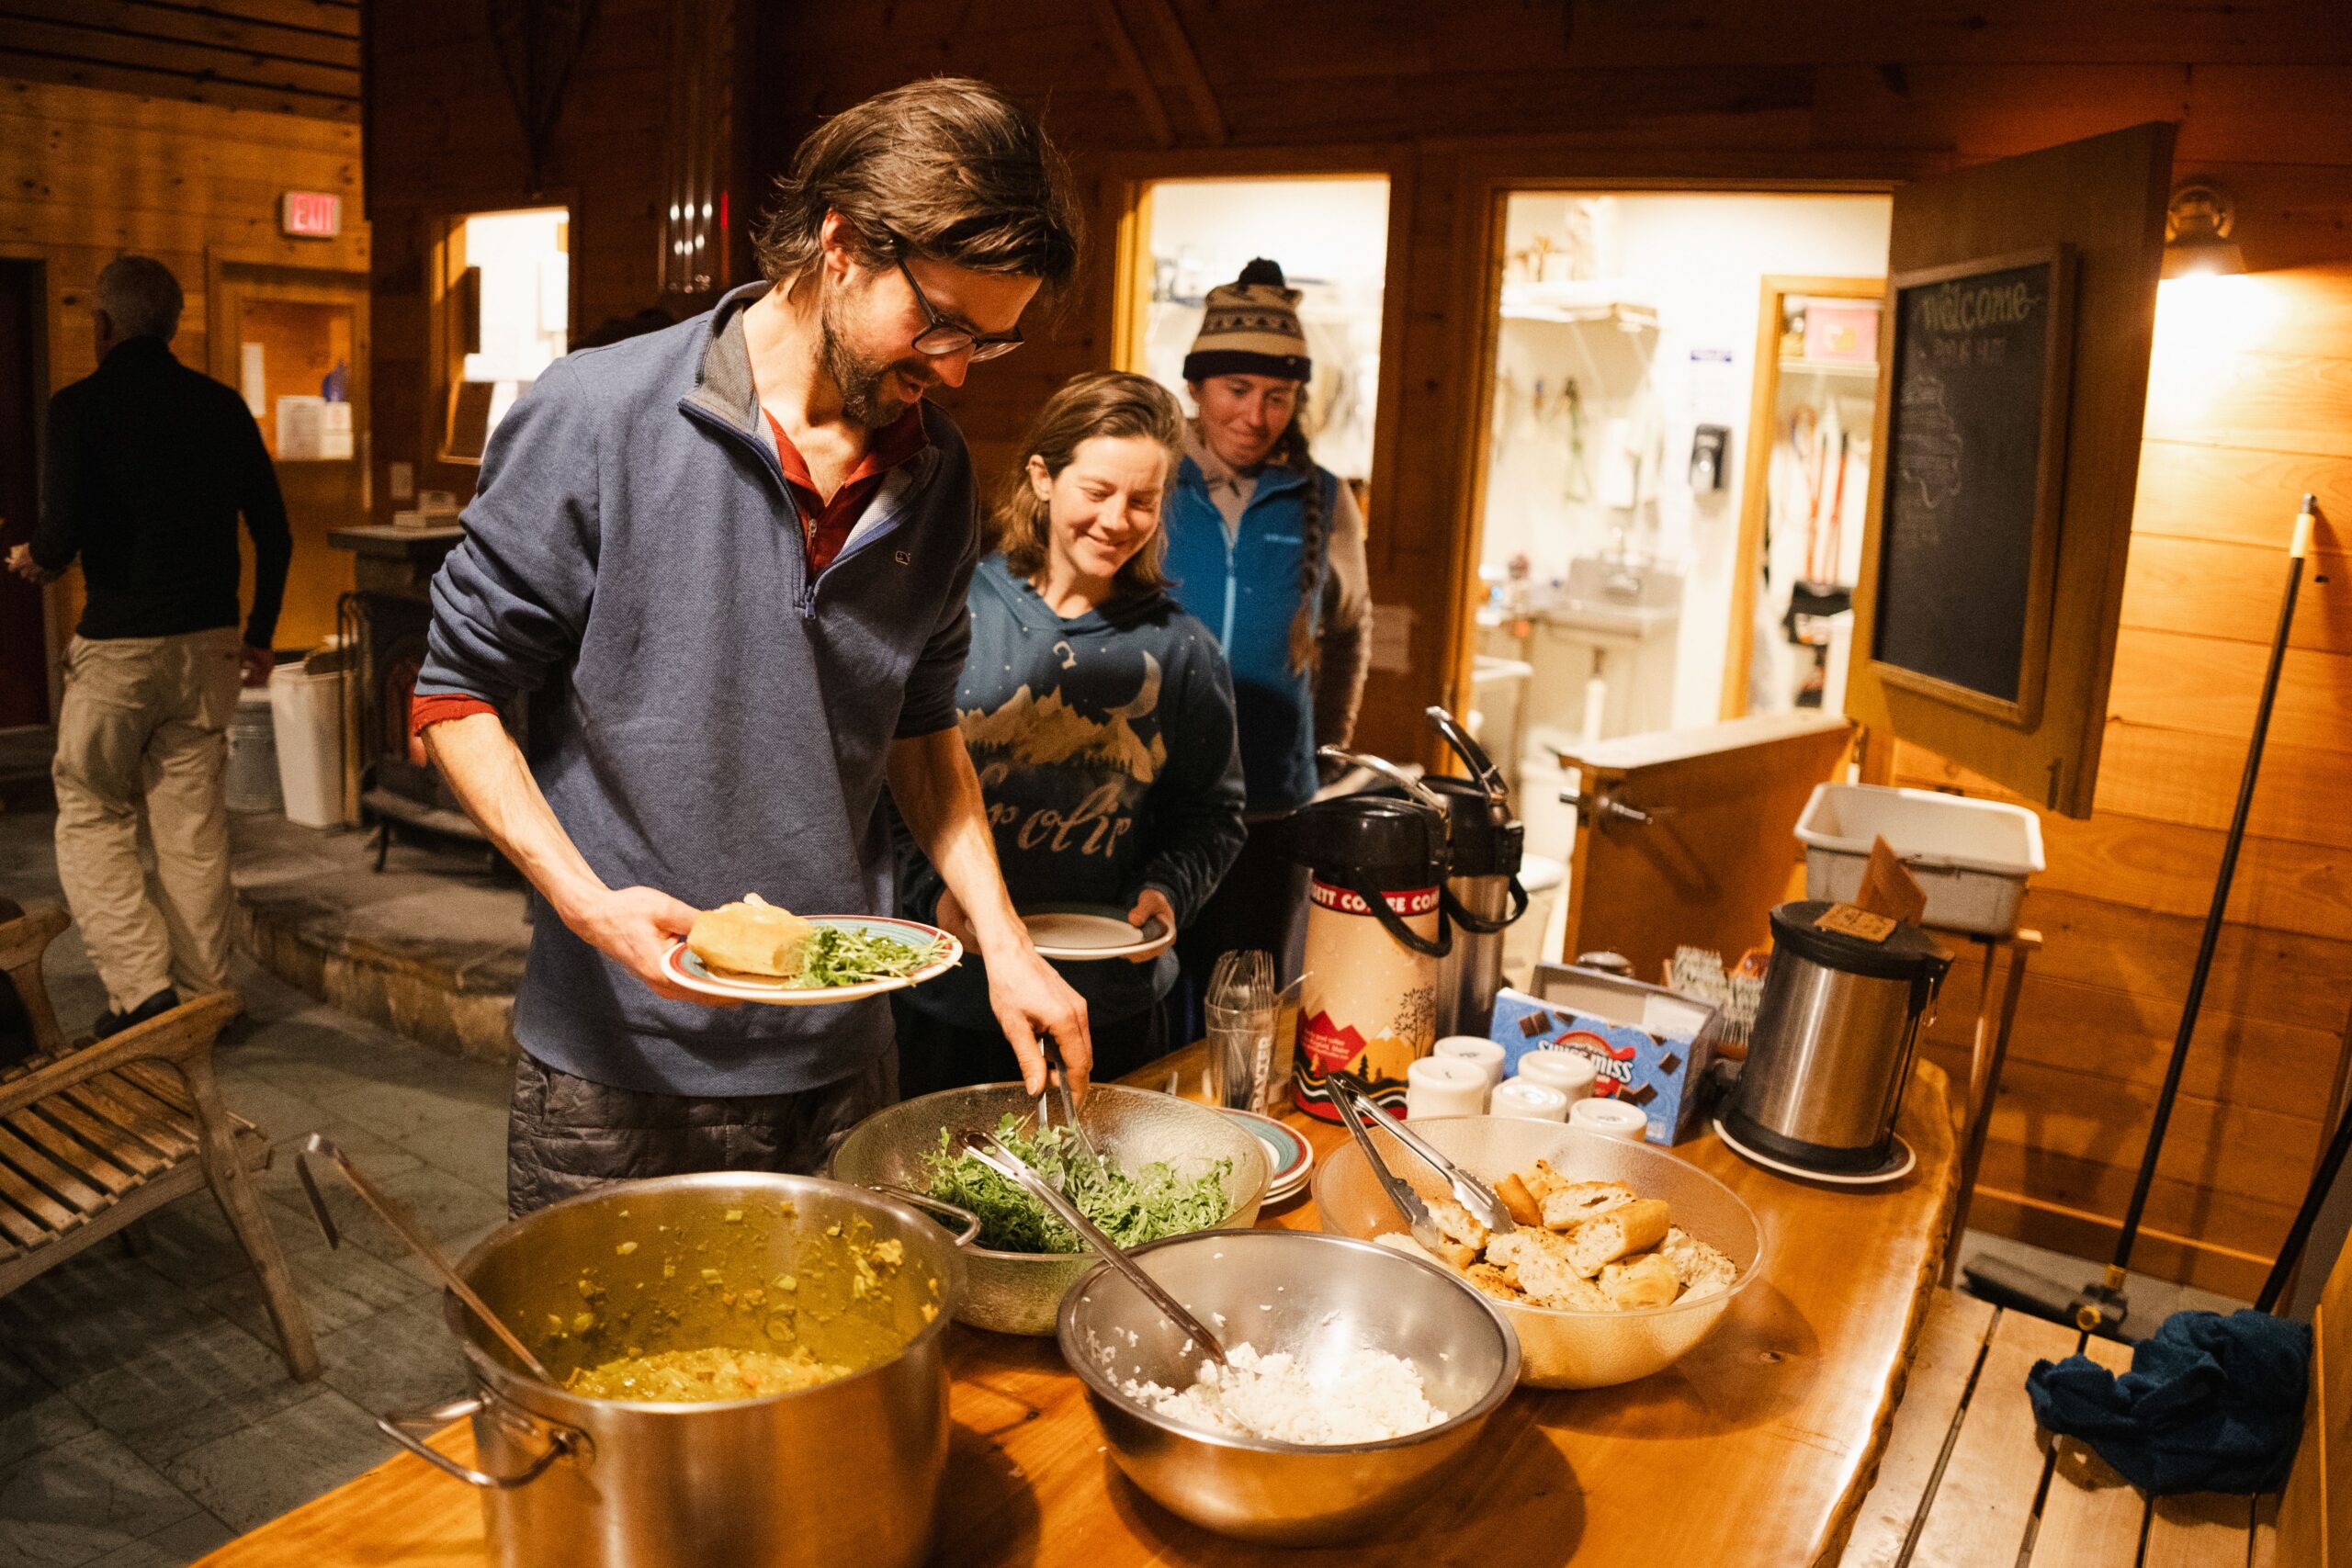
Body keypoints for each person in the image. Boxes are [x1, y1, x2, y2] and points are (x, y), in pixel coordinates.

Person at [407, 78, 1093, 1214]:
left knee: (830, 1373)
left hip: (841, 1057)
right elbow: (453, 695)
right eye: (940, 323)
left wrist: (1006, 940)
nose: (958, 368)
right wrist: (586, 903)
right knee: (598, 1380)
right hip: (617, 1064)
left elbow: (920, 728)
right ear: (841, 244)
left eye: (991, 341)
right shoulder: (597, 414)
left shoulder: (938, 474)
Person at [892, 372, 1245, 1095]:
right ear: (1043, 477)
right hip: (947, 997)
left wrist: (1169, 888)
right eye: (1097, 491)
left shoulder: (1182, 651)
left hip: (1108, 1003)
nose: (1118, 519)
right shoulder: (956, 607)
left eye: (1143, 500)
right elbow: (885, 787)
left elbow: (1213, 814)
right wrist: (935, 896)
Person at [7, 255, 290, 1038]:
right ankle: (208, 1000)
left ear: (102, 327)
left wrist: (37, 557)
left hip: (120, 647)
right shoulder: (221, 405)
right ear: (170, 324)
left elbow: (61, 534)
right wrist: (261, 635)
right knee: (192, 827)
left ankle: (144, 996)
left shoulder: (79, 407)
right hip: (209, 646)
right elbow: (274, 531)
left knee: (92, 808)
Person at [1160, 258, 1373, 998]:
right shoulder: (1152, 478)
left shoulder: (1322, 496)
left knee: (1249, 996)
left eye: (1277, 395)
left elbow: (1348, 631)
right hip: (1156, 801)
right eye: (1237, 389)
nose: (1256, 414)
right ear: (1195, 387)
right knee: (1156, 995)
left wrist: (1325, 749)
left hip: (1271, 806)